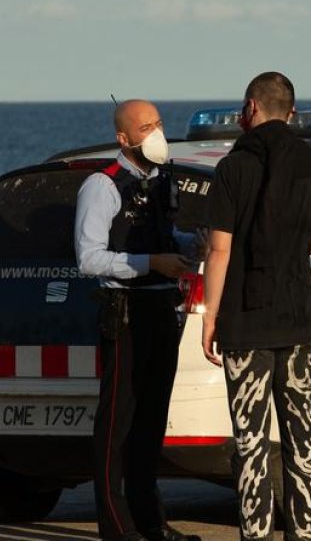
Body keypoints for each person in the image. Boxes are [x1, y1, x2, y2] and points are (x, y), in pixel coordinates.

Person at [201, 71, 311, 541]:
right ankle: (304, 534)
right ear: (291, 113)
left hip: (246, 324)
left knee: (251, 441)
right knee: (301, 436)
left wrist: (210, 316)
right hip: (299, 322)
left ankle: (257, 534)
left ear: (250, 109)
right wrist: (292, 240)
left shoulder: (233, 168)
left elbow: (218, 250)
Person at [74, 99, 202, 541]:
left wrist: (192, 244)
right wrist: (153, 263)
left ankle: (152, 522)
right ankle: (116, 525)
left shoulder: (163, 179)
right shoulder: (102, 185)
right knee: (116, 426)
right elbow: (89, 258)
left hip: (161, 308)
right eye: (145, 127)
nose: (156, 133)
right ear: (124, 138)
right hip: (125, 311)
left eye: (159, 124)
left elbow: (167, 235)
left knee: (152, 420)